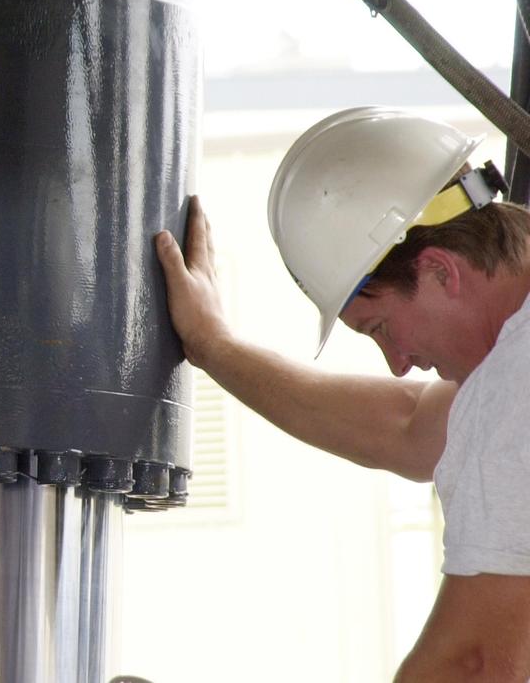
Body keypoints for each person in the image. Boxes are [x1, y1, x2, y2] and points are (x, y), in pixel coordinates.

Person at [154, 106, 530, 681]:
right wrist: (213, 347)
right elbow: (410, 426)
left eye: (379, 328)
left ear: (439, 271)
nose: (400, 365)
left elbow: (473, 664)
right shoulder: (506, 373)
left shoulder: (511, 391)